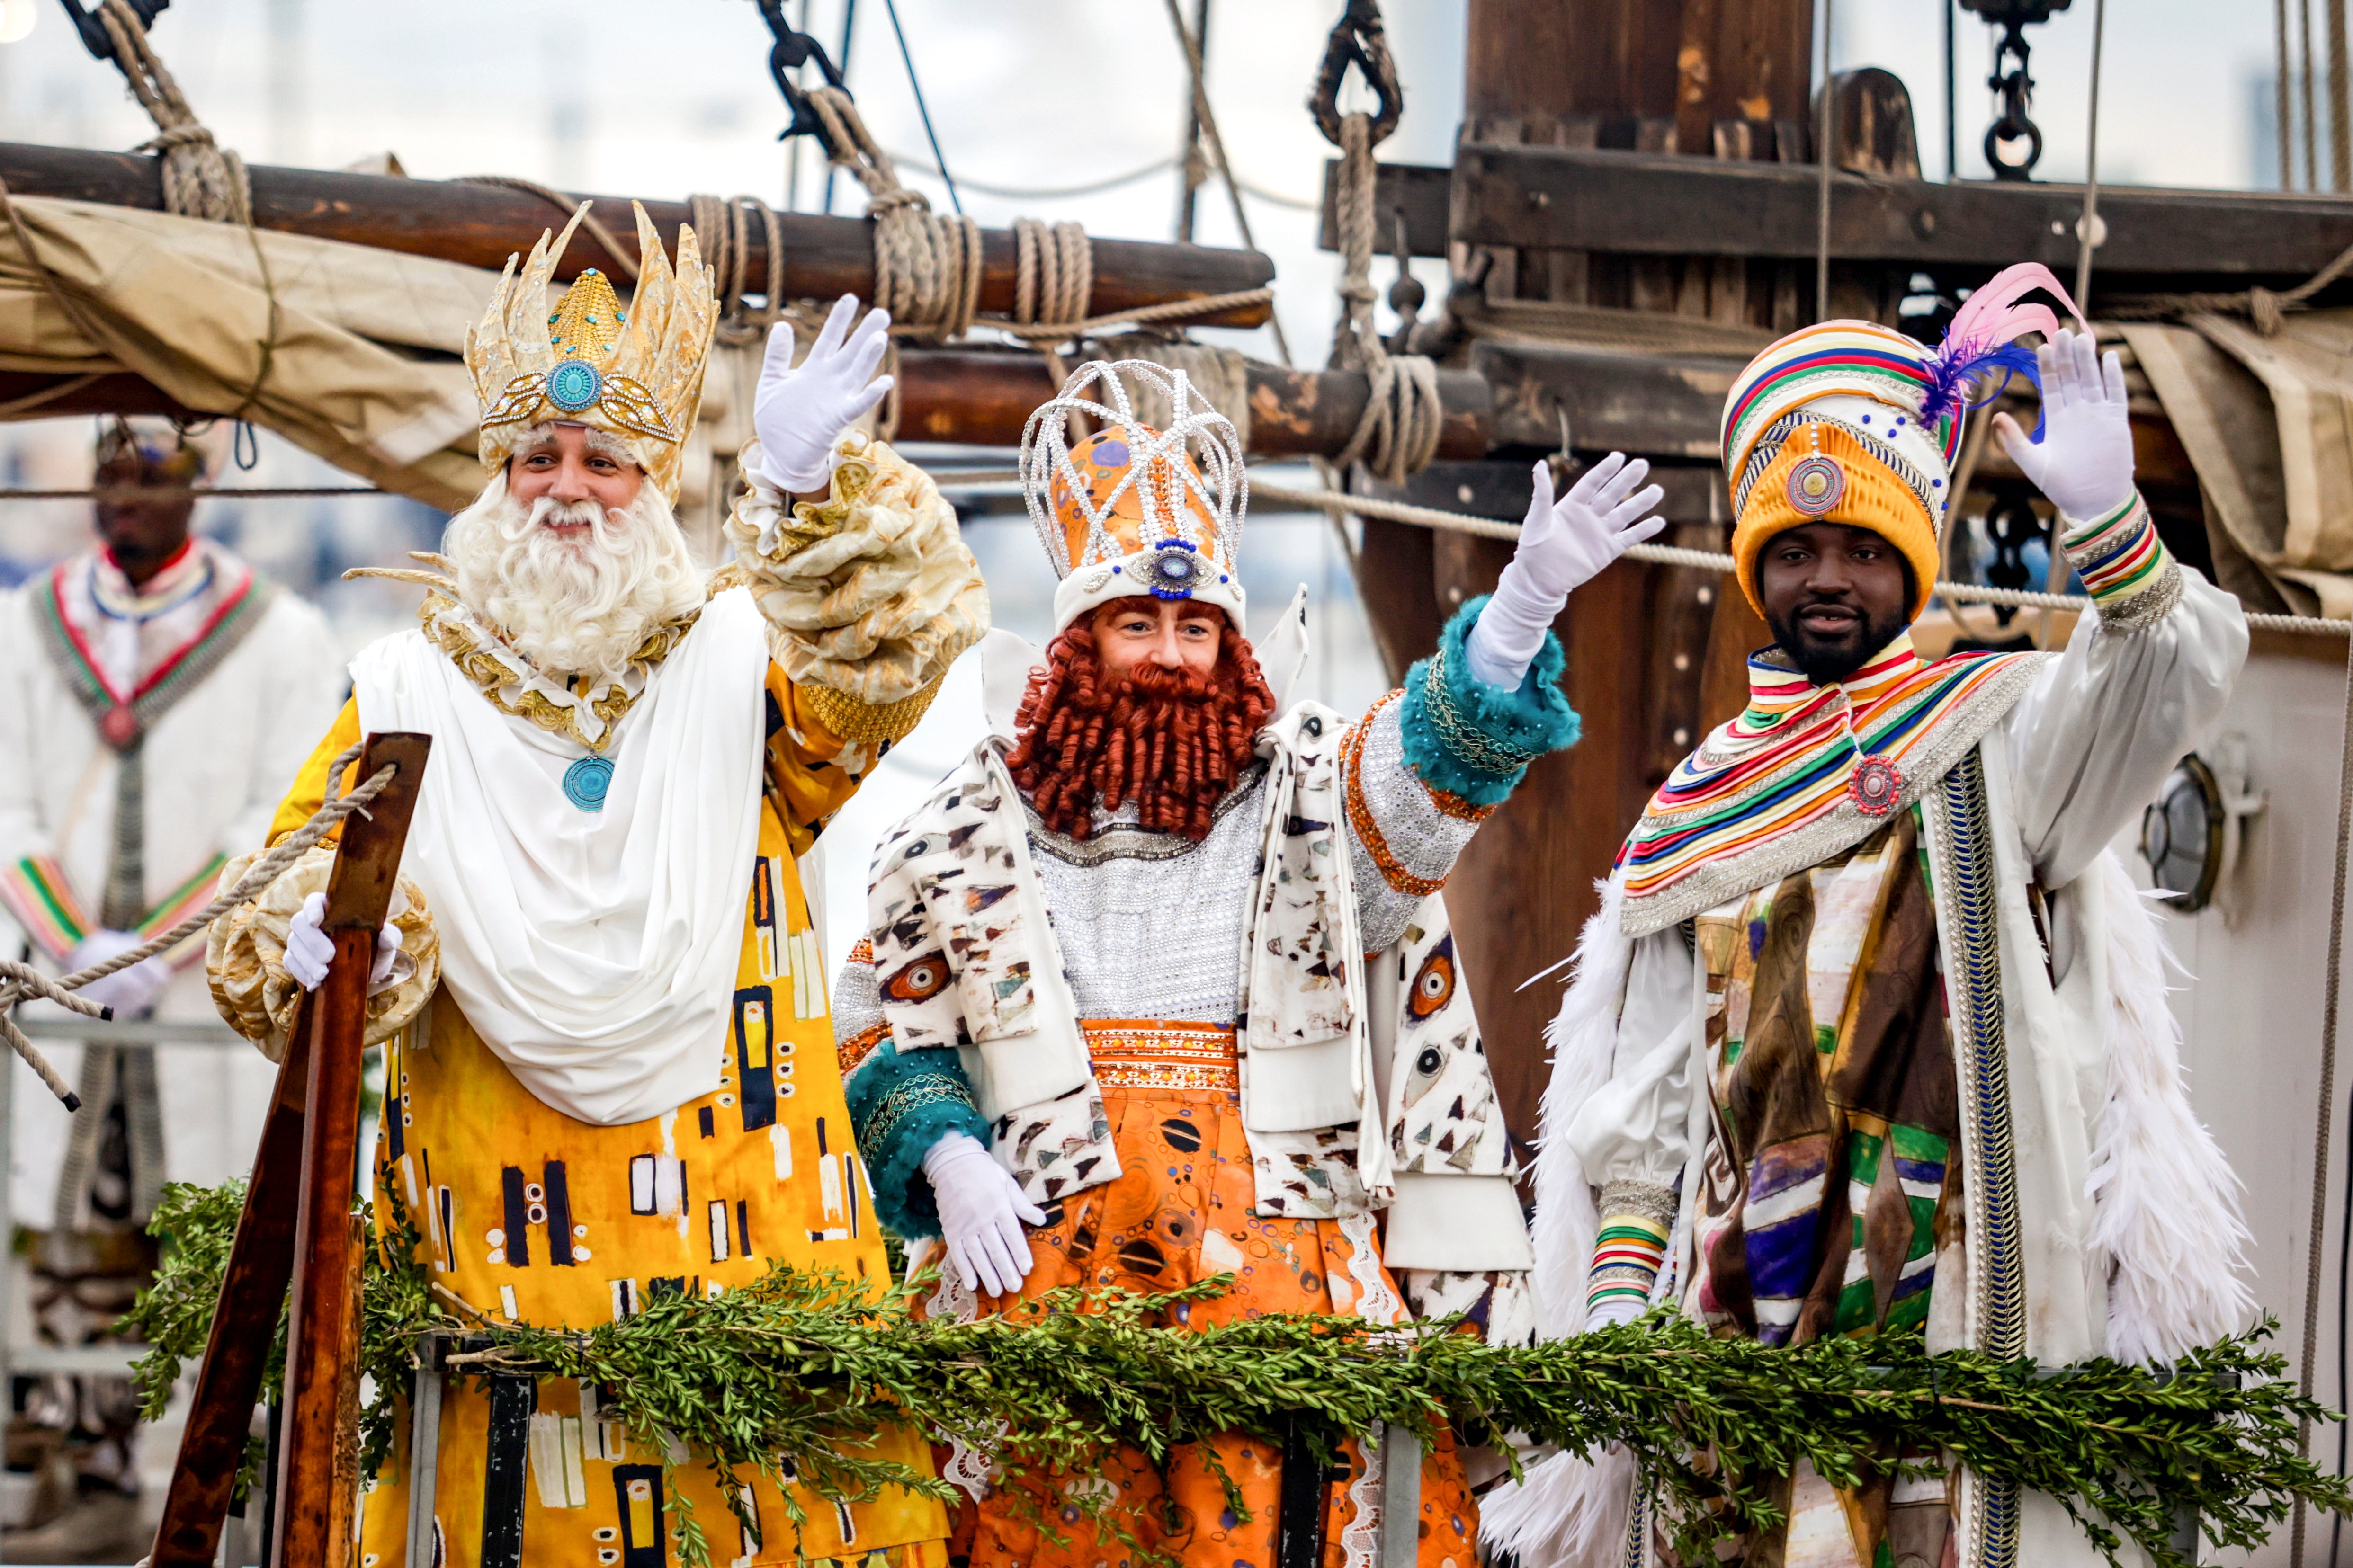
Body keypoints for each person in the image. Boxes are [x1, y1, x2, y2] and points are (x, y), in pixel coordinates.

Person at [203, 203, 986, 1568]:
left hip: (757, 1243)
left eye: (608, 461)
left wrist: (801, 497)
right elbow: (287, 907)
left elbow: (884, 668)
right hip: (503, 1268)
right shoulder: (400, 690)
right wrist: (328, 952)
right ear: (497, 477)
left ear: (664, 478)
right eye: (538, 456)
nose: (569, 486)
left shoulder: (744, 666)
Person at [831, 358, 1667, 1568]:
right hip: (1043, 1263)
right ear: (1076, 646)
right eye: (1138, 625)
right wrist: (949, 1154)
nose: (1171, 654)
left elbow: (1423, 782)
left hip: (1282, 1254)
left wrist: (1521, 609)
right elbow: (881, 1015)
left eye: (1195, 627)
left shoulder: (1303, 801)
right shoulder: (964, 825)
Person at [1485, 265, 2255, 1568]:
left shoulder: (2001, 740)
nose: (1825, 577)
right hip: (1734, 1338)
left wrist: (2113, 524)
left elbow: (2168, 683)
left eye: (1859, 550)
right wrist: (1615, 1325)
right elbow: (1648, 1104)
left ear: (1910, 564)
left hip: (1957, 1317)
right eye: (1794, 551)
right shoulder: (1699, 800)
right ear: (1755, 575)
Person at [0, 417, 340, 1550]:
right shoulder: (27, 624)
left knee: (217, 1233)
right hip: (71, 993)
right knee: (74, 1235)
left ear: (200, 487)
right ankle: (91, 1480)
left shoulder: (281, 636)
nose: (126, 497)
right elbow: (8, 806)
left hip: (200, 1003)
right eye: (109, 476)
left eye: (152, 476)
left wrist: (158, 948)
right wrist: (78, 942)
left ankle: (224, 1501)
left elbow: (276, 820)